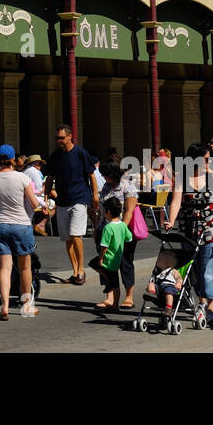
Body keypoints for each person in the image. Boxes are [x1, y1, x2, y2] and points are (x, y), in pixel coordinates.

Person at [165, 144, 213, 313]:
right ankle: (202, 301)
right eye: (205, 159)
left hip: (211, 228)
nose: (209, 162)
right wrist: (171, 221)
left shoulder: (212, 178)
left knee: (208, 268)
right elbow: (176, 202)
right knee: (193, 267)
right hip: (189, 228)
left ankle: (208, 306)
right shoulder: (182, 178)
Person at [0, 144, 41, 320]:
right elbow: (34, 203)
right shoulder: (22, 178)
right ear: (13, 160)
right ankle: (26, 305)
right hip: (21, 225)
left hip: (0, 224)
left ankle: (4, 307)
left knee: (5, 267)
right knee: (25, 267)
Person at [44, 125, 100, 285]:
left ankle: (81, 269)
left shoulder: (81, 153)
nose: (59, 141)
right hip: (62, 200)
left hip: (79, 199)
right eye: (57, 138)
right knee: (68, 238)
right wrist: (47, 197)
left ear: (70, 137)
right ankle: (75, 271)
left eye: (61, 138)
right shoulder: (55, 156)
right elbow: (50, 178)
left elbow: (91, 175)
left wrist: (95, 195)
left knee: (76, 235)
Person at [97, 161, 141, 307]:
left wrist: (121, 230)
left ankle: (129, 296)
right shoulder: (106, 186)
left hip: (122, 232)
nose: (103, 177)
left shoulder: (128, 186)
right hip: (105, 230)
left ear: (113, 174)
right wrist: (97, 227)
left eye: (105, 174)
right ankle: (110, 297)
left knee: (125, 263)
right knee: (106, 264)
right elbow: (101, 209)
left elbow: (129, 211)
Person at [94, 197, 133, 310]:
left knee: (113, 282)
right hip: (118, 256)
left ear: (108, 212)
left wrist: (101, 257)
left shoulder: (108, 227)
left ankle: (115, 304)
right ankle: (114, 302)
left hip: (109, 258)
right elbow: (129, 238)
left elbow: (104, 246)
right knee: (114, 281)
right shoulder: (122, 225)